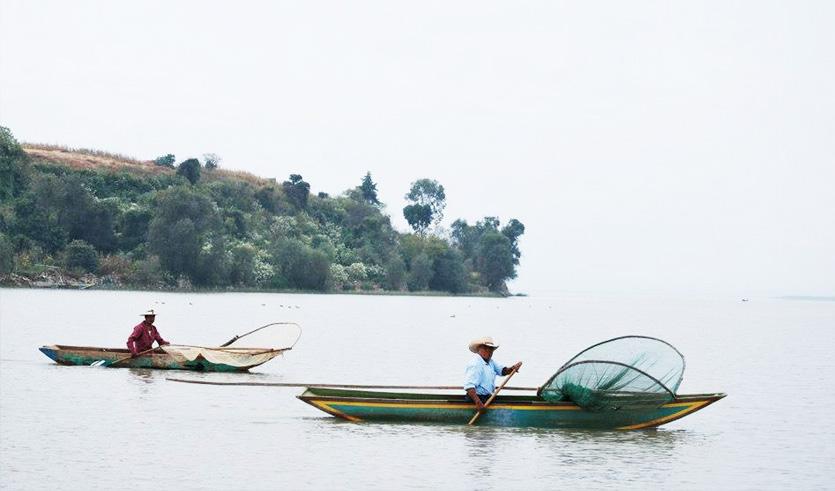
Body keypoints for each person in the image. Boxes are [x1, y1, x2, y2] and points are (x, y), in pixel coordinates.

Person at [464, 336, 522, 411]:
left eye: (490, 349)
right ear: (479, 350)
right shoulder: (475, 364)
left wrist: (512, 368)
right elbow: (469, 387)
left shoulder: (491, 362)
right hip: (476, 398)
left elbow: (503, 371)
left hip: (487, 397)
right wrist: (478, 402)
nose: (488, 351)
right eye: (485, 348)